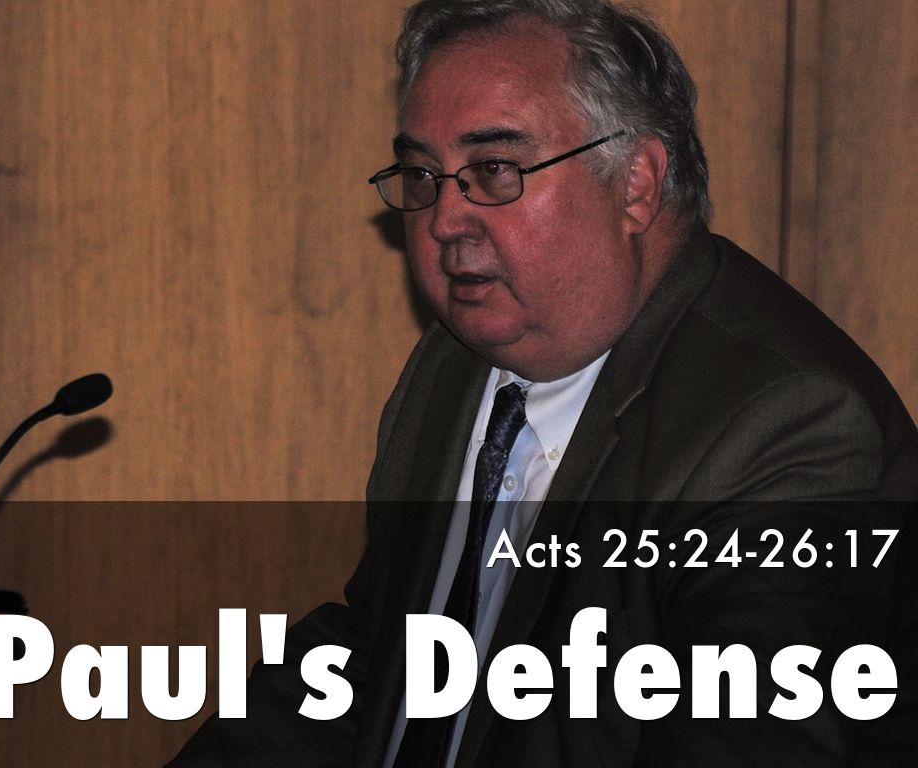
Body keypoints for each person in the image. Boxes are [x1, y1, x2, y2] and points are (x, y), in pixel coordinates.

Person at [167, 0, 918, 765]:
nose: (444, 220)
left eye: (493, 170)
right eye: (424, 175)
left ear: (635, 183)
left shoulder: (786, 423)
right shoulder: (459, 362)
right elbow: (383, 654)